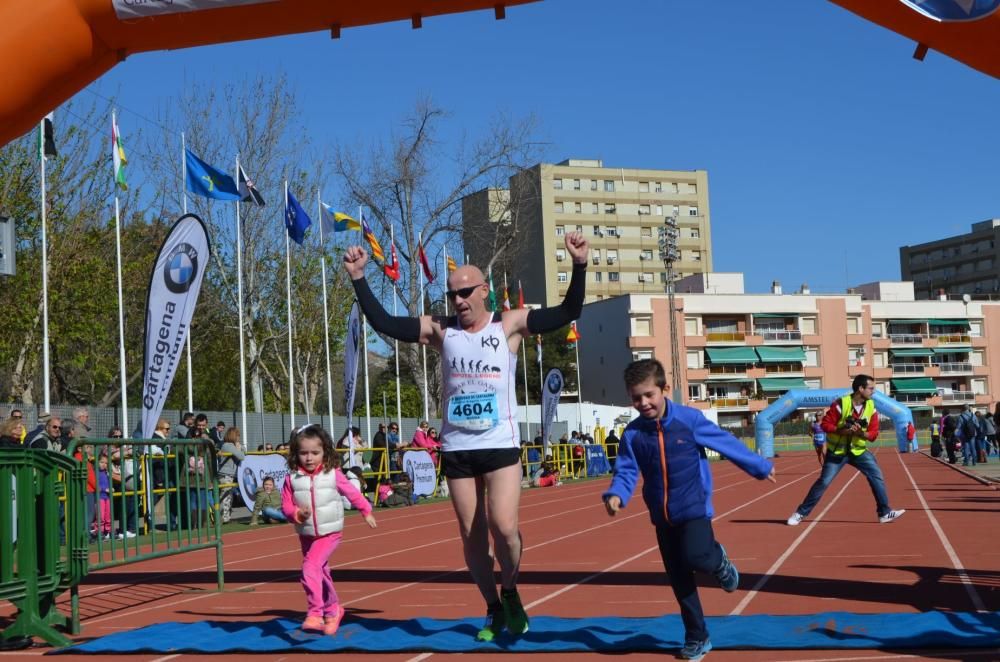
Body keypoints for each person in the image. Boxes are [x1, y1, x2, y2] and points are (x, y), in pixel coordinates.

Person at [344, 231, 590, 641]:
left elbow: (568, 310)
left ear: (483, 293)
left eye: (464, 293)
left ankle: (509, 589)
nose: (458, 301)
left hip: (499, 445)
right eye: (452, 295)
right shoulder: (440, 330)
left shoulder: (509, 324)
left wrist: (579, 265)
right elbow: (384, 322)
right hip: (458, 448)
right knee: (471, 535)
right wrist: (358, 278)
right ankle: (492, 607)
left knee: (505, 527)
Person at [603, 359, 774, 661]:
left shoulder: (689, 420)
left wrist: (759, 467)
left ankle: (719, 561)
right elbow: (626, 470)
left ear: (664, 389)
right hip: (662, 516)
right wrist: (617, 495)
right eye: (636, 398)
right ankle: (697, 636)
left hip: (693, 506)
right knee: (679, 579)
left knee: (697, 556)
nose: (643, 403)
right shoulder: (633, 434)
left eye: (648, 395)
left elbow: (725, 444)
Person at [281, 424, 376, 636]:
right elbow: (286, 505)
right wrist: (297, 514)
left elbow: (351, 492)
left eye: (315, 452)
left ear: (325, 452)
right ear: (296, 454)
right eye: (303, 453)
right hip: (307, 534)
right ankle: (333, 611)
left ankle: (315, 612)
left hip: (330, 533)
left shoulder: (332, 474)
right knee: (321, 573)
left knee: (309, 569)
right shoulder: (292, 479)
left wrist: (365, 510)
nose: (309, 458)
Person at [787, 374, 905, 526]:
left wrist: (860, 433)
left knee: (877, 476)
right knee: (824, 482)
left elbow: (874, 434)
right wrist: (840, 430)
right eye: (871, 388)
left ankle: (884, 512)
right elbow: (825, 425)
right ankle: (800, 513)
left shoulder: (871, 407)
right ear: (860, 389)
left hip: (859, 452)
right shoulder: (840, 404)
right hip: (837, 453)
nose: (873, 391)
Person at [218, 427, 247, 524]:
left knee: (229, 496)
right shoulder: (228, 445)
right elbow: (241, 456)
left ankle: (226, 517)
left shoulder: (233, 446)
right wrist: (239, 448)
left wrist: (239, 447)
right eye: (238, 435)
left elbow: (244, 450)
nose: (239, 438)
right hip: (225, 474)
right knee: (225, 496)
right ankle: (223, 518)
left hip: (230, 475)